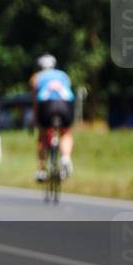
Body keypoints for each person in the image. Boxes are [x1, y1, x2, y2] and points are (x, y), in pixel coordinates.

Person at [30, 53, 75, 182]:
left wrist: (35, 119)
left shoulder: (36, 77)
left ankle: (41, 169)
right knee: (65, 133)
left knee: (42, 135)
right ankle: (66, 158)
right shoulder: (64, 75)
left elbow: (35, 100)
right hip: (65, 104)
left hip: (46, 105)